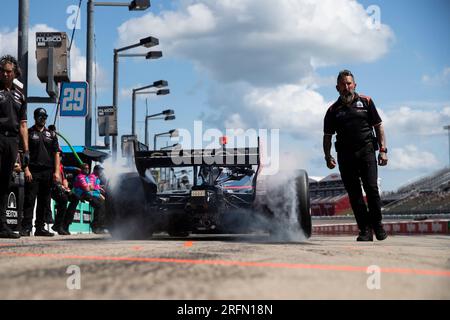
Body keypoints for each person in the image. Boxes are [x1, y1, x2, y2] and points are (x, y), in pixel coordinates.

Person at [323, 70, 388, 241]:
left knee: (372, 189)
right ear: (337, 87)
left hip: (367, 152)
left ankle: (378, 225)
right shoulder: (332, 110)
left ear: (355, 85)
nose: (346, 87)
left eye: (349, 83)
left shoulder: (366, 102)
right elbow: (327, 136)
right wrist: (327, 156)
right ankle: (365, 231)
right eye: (343, 84)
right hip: (345, 156)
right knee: (355, 195)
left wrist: (383, 150)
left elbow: (378, 126)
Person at [0, 55, 29, 239]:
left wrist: (25, 151)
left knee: (4, 183)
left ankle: (2, 224)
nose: (5, 73)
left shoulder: (20, 95)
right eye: (2, 70)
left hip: (12, 142)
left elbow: (23, 125)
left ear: (15, 73)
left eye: (9, 71)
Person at [21, 108, 60, 237]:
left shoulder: (52, 135)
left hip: (48, 172)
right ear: (35, 117)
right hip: (33, 171)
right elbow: (23, 153)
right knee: (30, 200)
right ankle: (26, 227)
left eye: (44, 116)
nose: (42, 119)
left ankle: (40, 228)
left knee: (44, 201)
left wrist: (57, 172)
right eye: (40, 116)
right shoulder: (29, 133)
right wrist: (26, 169)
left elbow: (56, 154)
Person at [66, 163, 107, 234]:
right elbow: (88, 189)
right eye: (85, 168)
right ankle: (96, 226)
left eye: (88, 168)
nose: (87, 170)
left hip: (86, 194)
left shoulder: (87, 177)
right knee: (99, 205)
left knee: (102, 205)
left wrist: (94, 188)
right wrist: (94, 188)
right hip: (81, 195)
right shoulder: (83, 177)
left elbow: (91, 187)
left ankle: (99, 226)